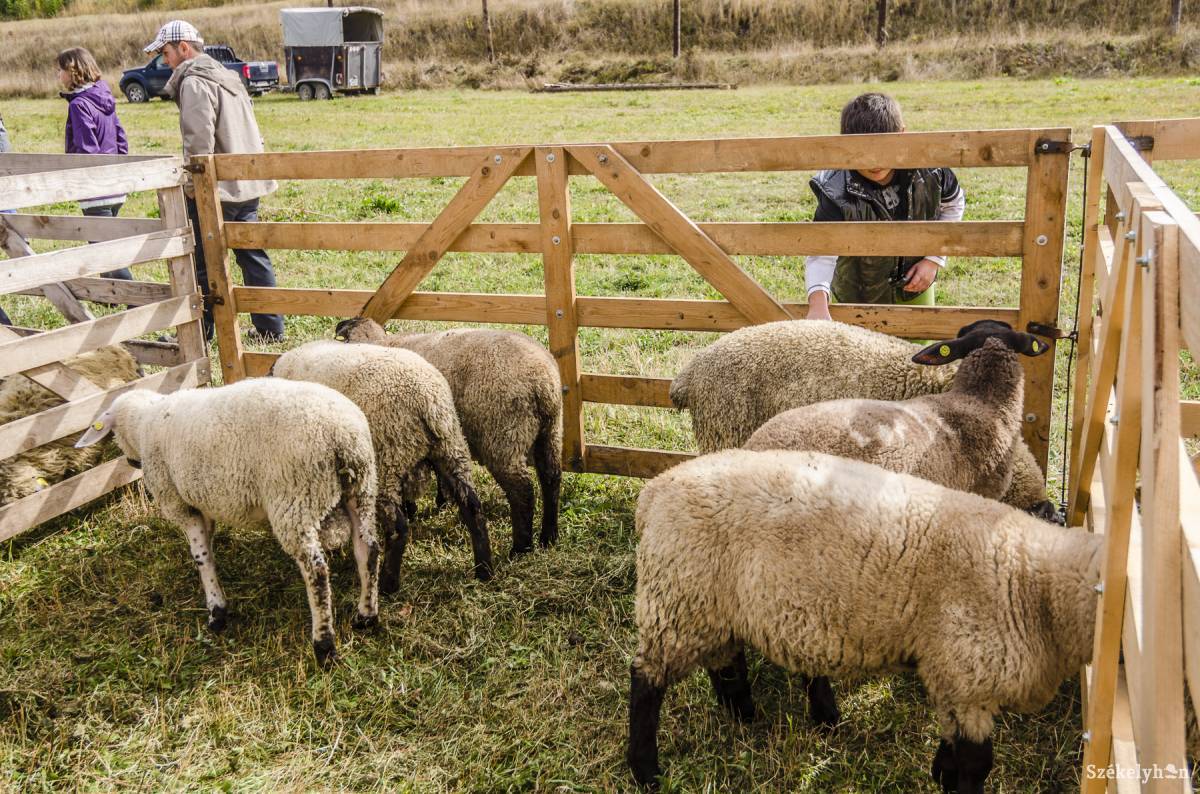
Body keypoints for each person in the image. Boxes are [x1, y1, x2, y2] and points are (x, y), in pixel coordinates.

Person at [145, 20, 284, 343]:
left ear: (184, 48)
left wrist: (194, 190)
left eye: (166, 53)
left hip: (217, 188)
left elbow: (198, 142)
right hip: (246, 184)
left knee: (203, 260)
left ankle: (203, 329)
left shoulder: (196, 82)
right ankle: (270, 326)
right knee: (252, 254)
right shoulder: (228, 77)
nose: (165, 61)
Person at [804, 93, 965, 322]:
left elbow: (953, 204)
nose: (874, 163)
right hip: (859, 293)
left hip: (915, 282)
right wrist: (818, 304)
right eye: (862, 153)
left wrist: (933, 260)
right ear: (845, 146)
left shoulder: (932, 171)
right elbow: (823, 251)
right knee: (860, 353)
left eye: (882, 150)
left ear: (902, 136)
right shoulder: (835, 189)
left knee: (916, 350)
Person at [57, 47, 133, 281]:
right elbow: (121, 138)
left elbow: (86, 150)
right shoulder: (105, 97)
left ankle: (133, 297)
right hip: (115, 185)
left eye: (60, 70)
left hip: (95, 189)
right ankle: (111, 295)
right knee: (106, 243)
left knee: (104, 249)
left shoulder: (79, 105)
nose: (58, 75)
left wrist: (82, 180)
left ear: (72, 71)